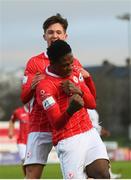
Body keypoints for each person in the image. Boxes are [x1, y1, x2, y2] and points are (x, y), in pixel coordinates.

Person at [21, 13, 96, 179]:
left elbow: (89, 98)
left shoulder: (73, 61)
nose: (54, 35)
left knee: (90, 170)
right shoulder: (34, 62)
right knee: (32, 174)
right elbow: (24, 97)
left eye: (58, 32)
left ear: (65, 35)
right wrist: (32, 87)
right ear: (44, 36)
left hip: (68, 126)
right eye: (50, 32)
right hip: (41, 124)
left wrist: (88, 79)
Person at [35, 40, 110, 179]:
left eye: (71, 62)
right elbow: (56, 123)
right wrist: (71, 110)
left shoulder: (75, 71)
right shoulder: (45, 87)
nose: (70, 67)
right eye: (65, 65)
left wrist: (79, 91)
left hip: (89, 132)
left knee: (103, 174)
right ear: (53, 64)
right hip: (68, 140)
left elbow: (92, 103)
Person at [87, 108, 122, 179]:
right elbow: (92, 124)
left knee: (102, 156)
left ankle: (109, 173)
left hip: (95, 137)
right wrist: (102, 131)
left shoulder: (93, 111)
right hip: (90, 138)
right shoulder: (89, 110)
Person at [8, 105, 29, 176]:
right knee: (24, 160)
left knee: (32, 162)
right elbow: (12, 120)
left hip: (32, 142)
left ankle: (29, 177)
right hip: (21, 141)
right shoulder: (18, 111)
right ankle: (26, 176)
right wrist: (11, 131)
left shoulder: (35, 111)